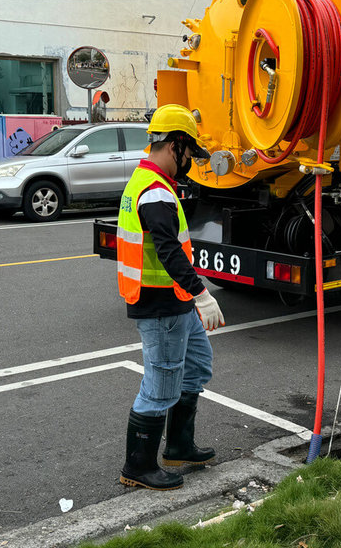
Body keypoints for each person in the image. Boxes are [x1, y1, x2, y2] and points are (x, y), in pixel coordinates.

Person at [116, 104, 224, 490]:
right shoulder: (155, 192)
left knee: (195, 366)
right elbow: (168, 250)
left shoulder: (154, 184)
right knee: (161, 382)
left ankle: (178, 445)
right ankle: (139, 467)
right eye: (190, 153)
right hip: (160, 303)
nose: (191, 162)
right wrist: (202, 294)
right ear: (176, 144)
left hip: (174, 301)